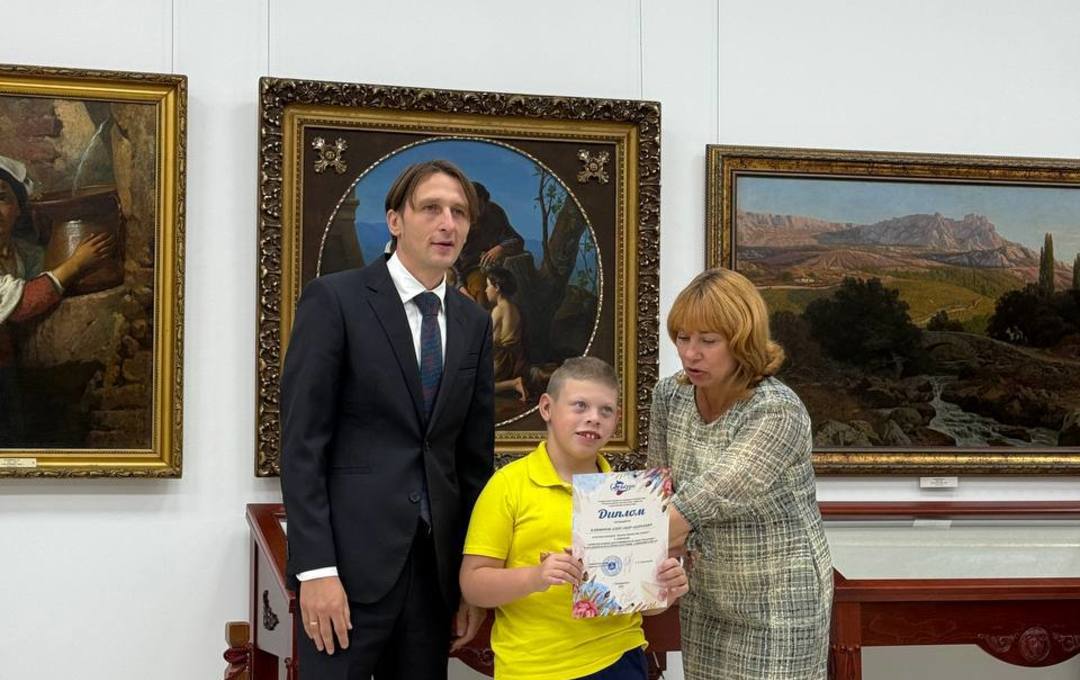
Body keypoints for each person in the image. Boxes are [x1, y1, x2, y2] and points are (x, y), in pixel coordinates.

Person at [280, 159, 495, 680]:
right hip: (345, 574)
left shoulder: (473, 321)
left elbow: (473, 460)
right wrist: (316, 569)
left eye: (459, 212)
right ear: (395, 220)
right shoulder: (335, 299)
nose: (447, 223)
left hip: (434, 578)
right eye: (431, 208)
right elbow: (302, 447)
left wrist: (472, 576)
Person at [647, 267, 832, 680]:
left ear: (743, 340)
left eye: (708, 341)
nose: (690, 353)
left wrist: (605, 545)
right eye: (683, 337)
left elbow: (711, 496)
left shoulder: (777, 410)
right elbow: (659, 491)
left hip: (778, 605)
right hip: (706, 599)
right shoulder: (670, 396)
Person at [460, 356, 689, 679]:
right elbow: (473, 586)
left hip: (619, 658)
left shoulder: (632, 495)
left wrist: (667, 589)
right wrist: (537, 576)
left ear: (616, 420)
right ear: (546, 408)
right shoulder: (507, 485)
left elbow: (648, 605)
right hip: (534, 667)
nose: (593, 418)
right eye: (580, 406)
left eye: (605, 410)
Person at [0, 154, 113, 443]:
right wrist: (75, 265)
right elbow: (22, 303)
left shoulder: (22, 252)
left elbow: (43, 271)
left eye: (1, 198)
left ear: (18, 208)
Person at [454, 181, 524, 304]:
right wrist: (461, 288)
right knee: (481, 291)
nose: (475, 212)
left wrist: (501, 248)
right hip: (467, 271)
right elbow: (450, 266)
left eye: (479, 206)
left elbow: (517, 240)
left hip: (495, 268)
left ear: (485, 202)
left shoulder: (494, 213)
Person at [485, 266, 528, 402]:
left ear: (497, 287)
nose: (486, 290)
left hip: (502, 360)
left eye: (488, 286)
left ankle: (513, 384)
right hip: (515, 358)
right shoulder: (514, 307)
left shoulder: (498, 310)